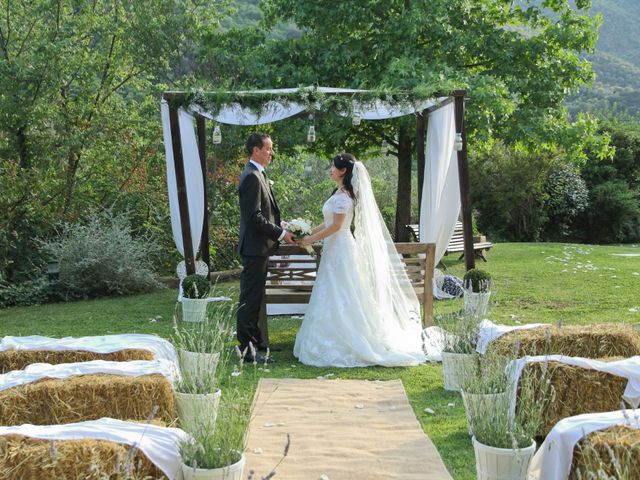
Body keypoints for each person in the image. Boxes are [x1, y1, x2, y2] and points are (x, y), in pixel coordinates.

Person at [294, 153, 426, 367]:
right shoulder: (338, 193)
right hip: (333, 249)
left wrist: (310, 239)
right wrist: (306, 233)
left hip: (342, 249)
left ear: (343, 171)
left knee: (344, 290)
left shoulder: (344, 196)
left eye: (333, 167)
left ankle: (348, 339)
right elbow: (327, 223)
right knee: (331, 290)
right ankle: (327, 336)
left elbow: (337, 226)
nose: (330, 170)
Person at [237, 133, 295, 363]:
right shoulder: (251, 176)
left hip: (259, 247)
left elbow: (264, 213)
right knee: (250, 300)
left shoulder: (258, 174)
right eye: (269, 149)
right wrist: (281, 234)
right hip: (254, 248)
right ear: (255, 150)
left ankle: (257, 343)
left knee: (256, 298)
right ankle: (248, 351)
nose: (272, 153)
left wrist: (279, 224)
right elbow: (253, 217)